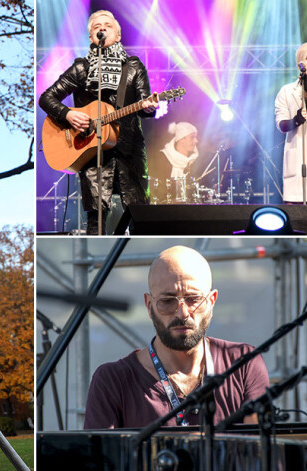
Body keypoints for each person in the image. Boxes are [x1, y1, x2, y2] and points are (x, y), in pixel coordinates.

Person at [84, 246, 269, 429]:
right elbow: (99, 458)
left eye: (193, 299)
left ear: (211, 301)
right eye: (167, 301)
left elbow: (262, 451)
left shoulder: (244, 363)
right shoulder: (112, 380)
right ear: (149, 305)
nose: (182, 313)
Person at [39, 10, 158, 234]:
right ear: (92, 37)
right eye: (96, 27)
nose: (102, 29)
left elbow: (144, 103)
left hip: (129, 151)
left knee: (140, 218)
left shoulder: (134, 67)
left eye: (107, 26)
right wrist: (68, 114)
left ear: (118, 35)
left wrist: (149, 107)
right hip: (92, 153)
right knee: (97, 221)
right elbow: (47, 98)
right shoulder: (81, 68)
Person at [275, 42, 307, 203]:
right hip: (297, 163)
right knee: (297, 215)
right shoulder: (287, 91)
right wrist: (296, 120)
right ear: (301, 63)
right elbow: (281, 124)